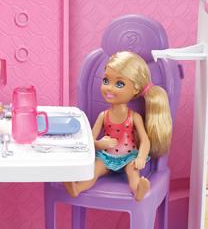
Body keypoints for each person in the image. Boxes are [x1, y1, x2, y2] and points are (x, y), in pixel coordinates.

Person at [64, 51, 172, 200]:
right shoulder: (103, 116)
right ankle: (77, 188)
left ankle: (138, 190)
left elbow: (145, 140)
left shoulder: (134, 117)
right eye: (106, 81)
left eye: (119, 84)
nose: (109, 88)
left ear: (135, 89)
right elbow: (89, 141)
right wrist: (101, 144)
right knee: (95, 170)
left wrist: (141, 157)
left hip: (128, 157)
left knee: (133, 172)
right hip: (107, 157)